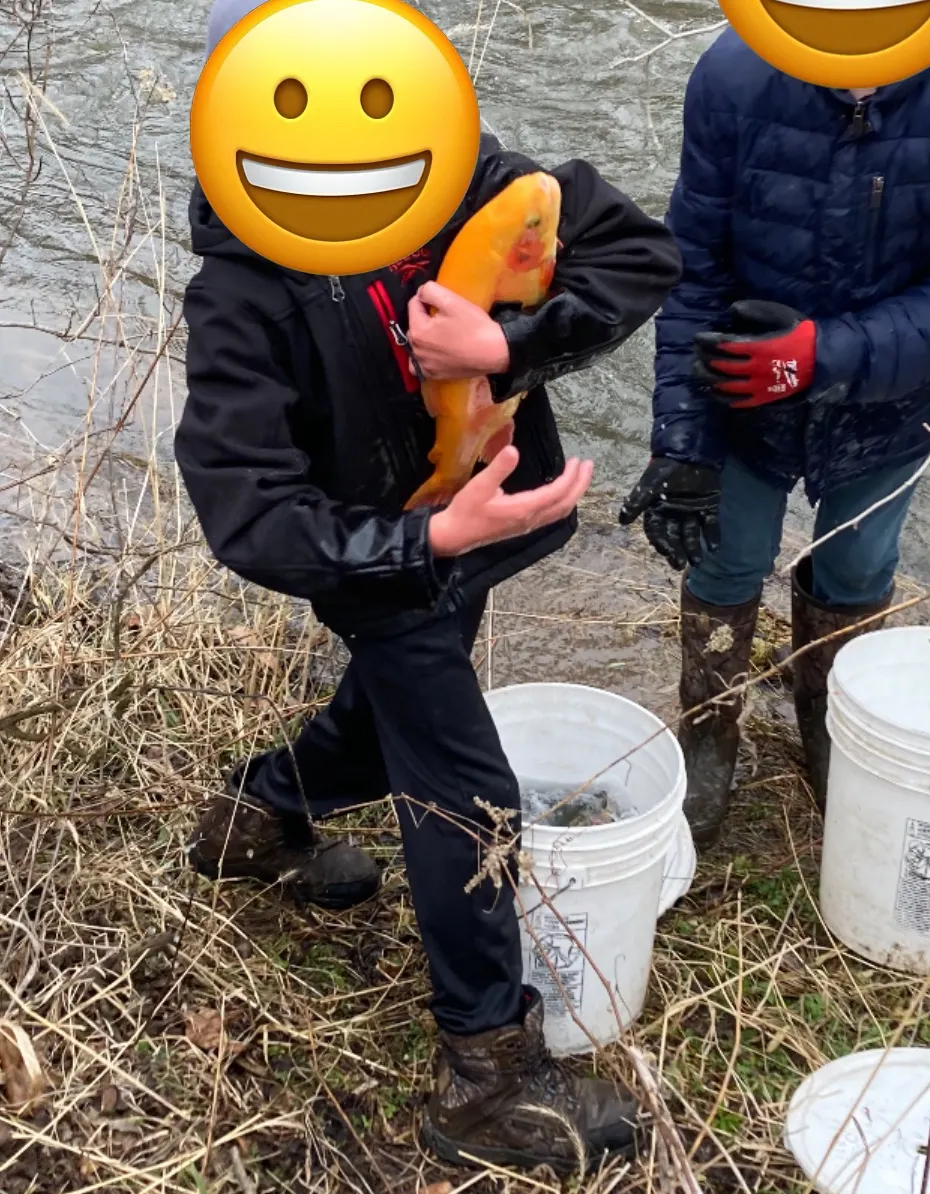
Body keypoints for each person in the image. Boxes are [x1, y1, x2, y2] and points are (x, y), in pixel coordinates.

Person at [176, 0, 682, 1174]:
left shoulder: (465, 179)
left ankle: (257, 820)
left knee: (397, 714)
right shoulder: (241, 293)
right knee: (464, 792)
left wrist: (511, 347)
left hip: (481, 526)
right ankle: (484, 1076)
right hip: (380, 562)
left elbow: (638, 252)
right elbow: (248, 510)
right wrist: (420, 544)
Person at [620, 23, 930, 847]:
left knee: (858, 566)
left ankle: (827, 722)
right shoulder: (734, 73)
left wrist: (824, 355)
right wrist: (680, 439)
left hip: (895, 403)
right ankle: (709, 733)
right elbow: (695, 265)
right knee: (724, 556)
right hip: (741, 397)